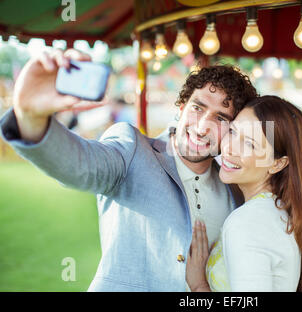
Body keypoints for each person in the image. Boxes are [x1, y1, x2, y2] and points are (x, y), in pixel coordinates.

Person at [0, 49, 258, 291]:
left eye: (221, 118)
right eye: (198, 107)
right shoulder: (132, 149)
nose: (202, 127)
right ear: (181, 109)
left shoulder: (235, 189)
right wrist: (29, 117)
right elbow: (79, 166)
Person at [185, 96, 302, 292]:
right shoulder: (277, 210)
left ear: (277, 163)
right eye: (233, 132)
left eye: (250, 144)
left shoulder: (248, 222)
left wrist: (198, 285)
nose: (229, 148)